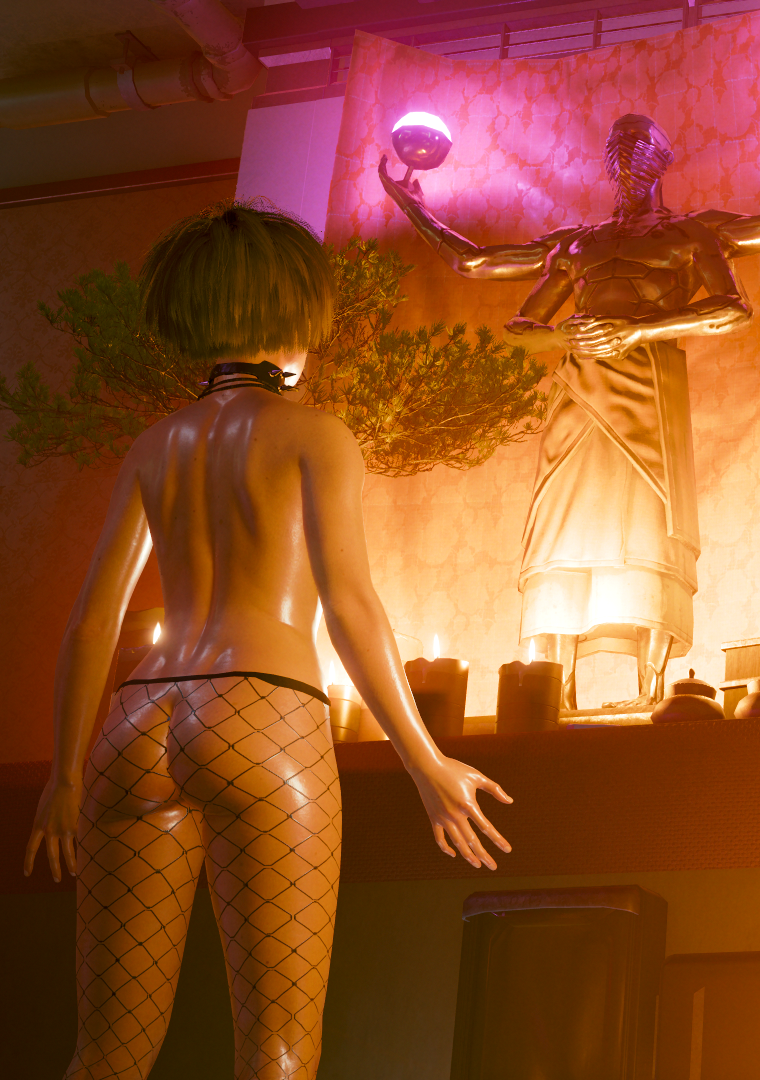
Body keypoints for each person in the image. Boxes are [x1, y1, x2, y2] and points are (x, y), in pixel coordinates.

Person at [23, 203, 513, 1080]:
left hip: (133, 727)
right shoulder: (317, 436)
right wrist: (424, 761)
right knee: (278, 1052)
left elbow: (93, 621)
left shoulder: (155, 445)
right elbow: (350, 605)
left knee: (105, 1053)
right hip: (263, 713)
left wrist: (64, 777)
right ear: (293, 314)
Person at [378, 95, 760, 708]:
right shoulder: (578, 244)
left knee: (647, 524)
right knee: (564, 528)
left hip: (648, 387)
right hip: (578, 393)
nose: (627, 157)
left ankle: (651, 690)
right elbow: (478, 266)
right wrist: (413, 204)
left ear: (662, 159)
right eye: (618, 147)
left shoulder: (692, 233)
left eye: (639, 146)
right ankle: (559, 695)